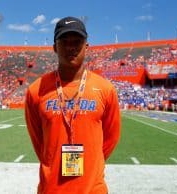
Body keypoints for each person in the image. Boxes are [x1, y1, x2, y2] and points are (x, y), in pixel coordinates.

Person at [24, 16, 121, 194]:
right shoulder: (35, 91)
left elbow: (111, 138)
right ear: (54, 47)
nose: (71, 47)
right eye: (64, 41)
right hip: (51, 189)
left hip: (93, 189)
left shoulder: (105, 89)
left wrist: (92, 162)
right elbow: (39, 143)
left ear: (86, 46)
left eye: (77, 41)